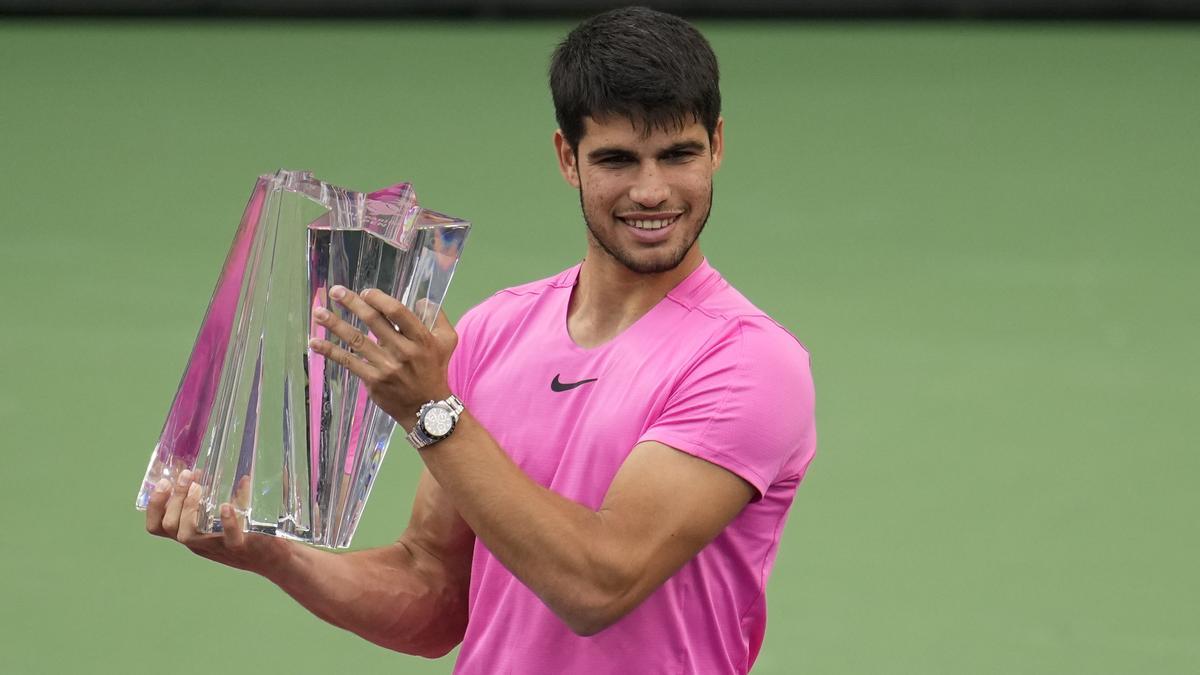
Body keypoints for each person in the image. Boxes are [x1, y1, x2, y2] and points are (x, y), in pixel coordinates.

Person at [145, 6, 816, 674]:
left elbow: (599, 584)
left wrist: (428, 411)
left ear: (717, 145)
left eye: (678, 155)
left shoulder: (750, 362)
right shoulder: (495, 329)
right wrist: (274, 553)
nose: (651, 189)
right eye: (616, 158)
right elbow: (434, 591)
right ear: (567, 158)